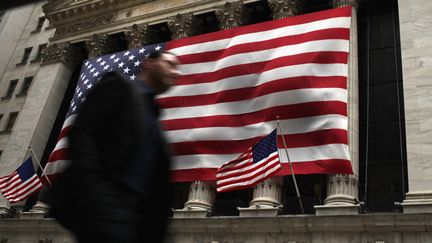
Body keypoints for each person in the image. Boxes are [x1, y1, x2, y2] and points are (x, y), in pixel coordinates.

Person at [42, 51, 181, 243]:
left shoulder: (156, 121)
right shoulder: (118, 86)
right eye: (170, 64)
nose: (176, 72)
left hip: (136, 222)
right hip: (104, 210)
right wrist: (98, 200)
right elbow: (82, 136)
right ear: (149, 63)